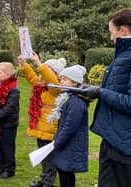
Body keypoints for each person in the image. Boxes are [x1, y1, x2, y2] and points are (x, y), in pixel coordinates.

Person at [81, 8, 131, 187]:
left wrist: (100, 92)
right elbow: (116, 90)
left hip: (124, 148)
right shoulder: (123, 57)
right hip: (112, 139)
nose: (111, 38)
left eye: (112, 32)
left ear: (122, 31)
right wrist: (91, 92)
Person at [18, 53, 66, 187]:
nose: (42, 74)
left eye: (47, 70)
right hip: (40, 129)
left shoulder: (56, 88)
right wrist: (23, 64)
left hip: (51, 130)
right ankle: (43, 179)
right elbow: (32, 78)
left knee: (50, 159)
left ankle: (48, 183)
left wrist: (39, 63)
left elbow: (51, 80)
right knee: (43, 157)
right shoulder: (41, 85)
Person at [47, 65, 88, 187]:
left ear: (75, 82)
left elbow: (70, 127)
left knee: (66, 174)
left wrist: (57, 142)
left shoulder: (75, 103)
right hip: (65, 144)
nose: (61, 82)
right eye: (61, 79)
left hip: (70, 145)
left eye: (65, 79)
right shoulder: (69, 98)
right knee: (64, 172)